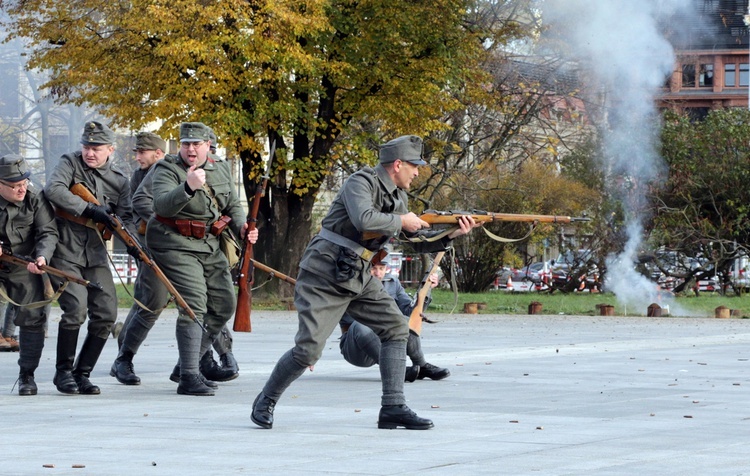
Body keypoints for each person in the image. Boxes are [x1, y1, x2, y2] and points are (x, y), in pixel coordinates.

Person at [251, 135, 480, 430]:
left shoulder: (398, 197)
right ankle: (266, 399)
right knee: (308, 350)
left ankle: (393, 407)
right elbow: (364, 219)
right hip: (324, 274)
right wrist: (402, 222)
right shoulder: (361, 181)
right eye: (414, 165)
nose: (418, 171)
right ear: (397, 165)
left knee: (397, 329)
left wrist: (452, 235)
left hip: (358, 273)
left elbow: (416, 240)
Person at [147, 122, 257, 396]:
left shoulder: (220, 167)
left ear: (208, 145)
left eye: (197, 144)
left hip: (208, 242)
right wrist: (187, 188)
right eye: (186, 144)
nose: (191, 149)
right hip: (173, 242)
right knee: (194, 304)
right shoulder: (167, 169)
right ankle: (188, 377)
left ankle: (188, 365)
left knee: (223, 303)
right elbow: (160, 205)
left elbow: (232, 204)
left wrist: (242, 227)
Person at [44, 121, 133, 395]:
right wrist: (91, 210)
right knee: (76, 310)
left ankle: (82, 374)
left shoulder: (120, 181)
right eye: (86, 146)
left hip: (95, 253)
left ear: (110, 149)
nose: (90, 152)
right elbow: (54, 190)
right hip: (66, 250)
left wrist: (131, 242)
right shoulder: (69, 163)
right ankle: (63, 373)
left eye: (96, 148)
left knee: (107, 314)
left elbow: (127, 218)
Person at [0, 154, 58, 395]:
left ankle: (27, 375)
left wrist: (42, 256)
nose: (22, 189)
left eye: (24, 182)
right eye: (15, 185)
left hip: (22, 265)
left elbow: (48, 231)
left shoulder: (35, 198)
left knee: (33, 315)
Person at [339, 256, 450, 382]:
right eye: (373, 268)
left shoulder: (392, 282)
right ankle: (395, 369)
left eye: (382, 268)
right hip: (355, 346)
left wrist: (427, 288)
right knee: (361, 324)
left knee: (404, 320)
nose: (378, 273)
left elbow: (410, 311)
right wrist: (312, 346)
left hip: (384, 341)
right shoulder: (349, 284)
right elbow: (326, 313)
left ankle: (421, 366)